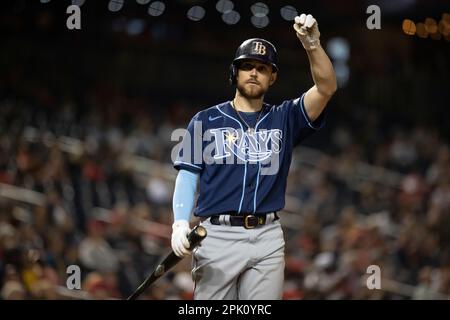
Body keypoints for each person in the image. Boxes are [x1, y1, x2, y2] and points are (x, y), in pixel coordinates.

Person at [170, 13, 337, 300]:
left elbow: (326, 88)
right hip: (217, 236)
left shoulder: (284, 117)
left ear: (272, 77)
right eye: (246, 66)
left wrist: (312, 45)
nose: (253, 72)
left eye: (262, 67)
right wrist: (180, 222)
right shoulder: (205, 119)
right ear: (234, 72)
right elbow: (188, 173)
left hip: (267, 237)